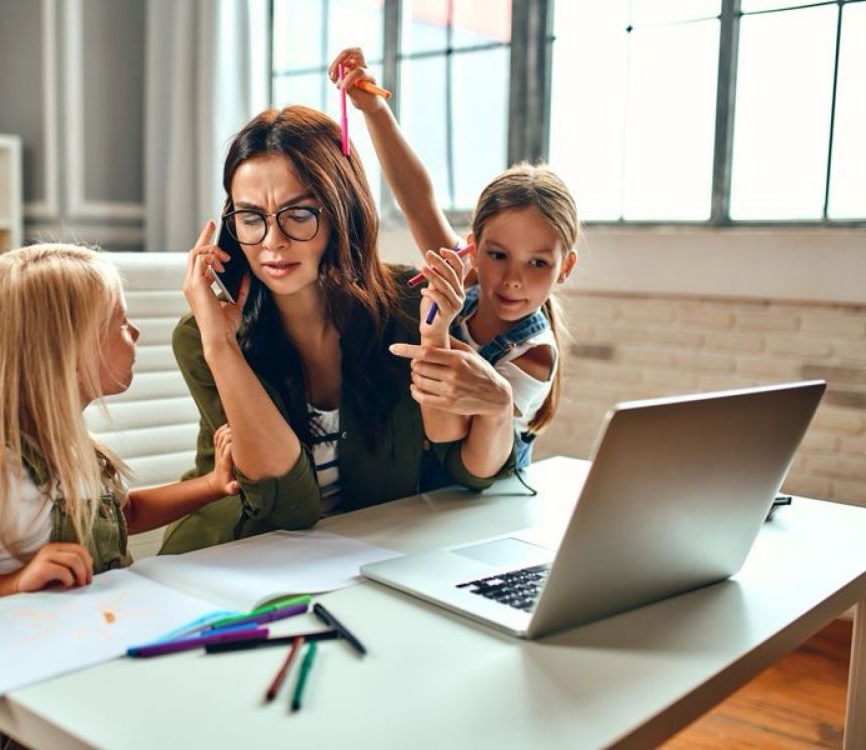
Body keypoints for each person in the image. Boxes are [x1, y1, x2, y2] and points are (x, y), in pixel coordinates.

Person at [0, 244, 241, 749]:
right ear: (65, 350)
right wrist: (16, 583)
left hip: (78, 668)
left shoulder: (75, 449)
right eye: (119, 322)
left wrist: (212, 486)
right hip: (10, 705)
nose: (135, 333)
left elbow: (120, 513)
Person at [159, 105, 515, 555]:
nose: (272, 242)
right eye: (251, 218)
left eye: (299, 214)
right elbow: (287, 507)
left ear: (342, 212)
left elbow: (467, 474)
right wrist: (220, 344)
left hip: (363, 561)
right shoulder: (204, 337)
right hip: (232, 561)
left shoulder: (408, 308)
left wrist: (499, 406)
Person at [331, 47, 581, 470]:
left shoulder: (535, 353)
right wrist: (373, 109)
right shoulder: (465, 276)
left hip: (483, 495)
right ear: (473, 249)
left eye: (538, 263)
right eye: (498, 255)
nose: (512, 278)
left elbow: (458, 442)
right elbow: (416, 197)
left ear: (565, 269)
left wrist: (438, 331)